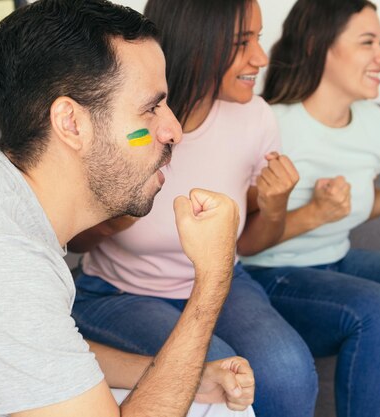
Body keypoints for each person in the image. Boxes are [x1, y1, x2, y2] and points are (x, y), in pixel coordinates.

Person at [0, 1, 257, 416]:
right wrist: (212, 278)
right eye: (151, 107)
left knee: (214, 404)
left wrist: (192, 376)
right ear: (71, 123)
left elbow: (47, 348)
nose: (173, 130)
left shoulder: (2, 194)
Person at [68, 1, 315, 416]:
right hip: (122, 292)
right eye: (242, 42)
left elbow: (250, 244)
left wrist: (275, 207)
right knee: (221, 370)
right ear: (196, 44)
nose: (261, 57)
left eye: (257, 37)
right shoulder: (128, 124)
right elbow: (71, 238)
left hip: (222, 280)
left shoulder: (257, 119)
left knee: (288, 371)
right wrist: (123, 210)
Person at [241, 1, 380, 416]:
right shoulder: (269, 125)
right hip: (268, 276)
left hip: (336, 260)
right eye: (368, 42)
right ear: (317, 45)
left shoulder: (374, 125)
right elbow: (239, 241)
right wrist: (316, 212)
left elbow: (348, 209)